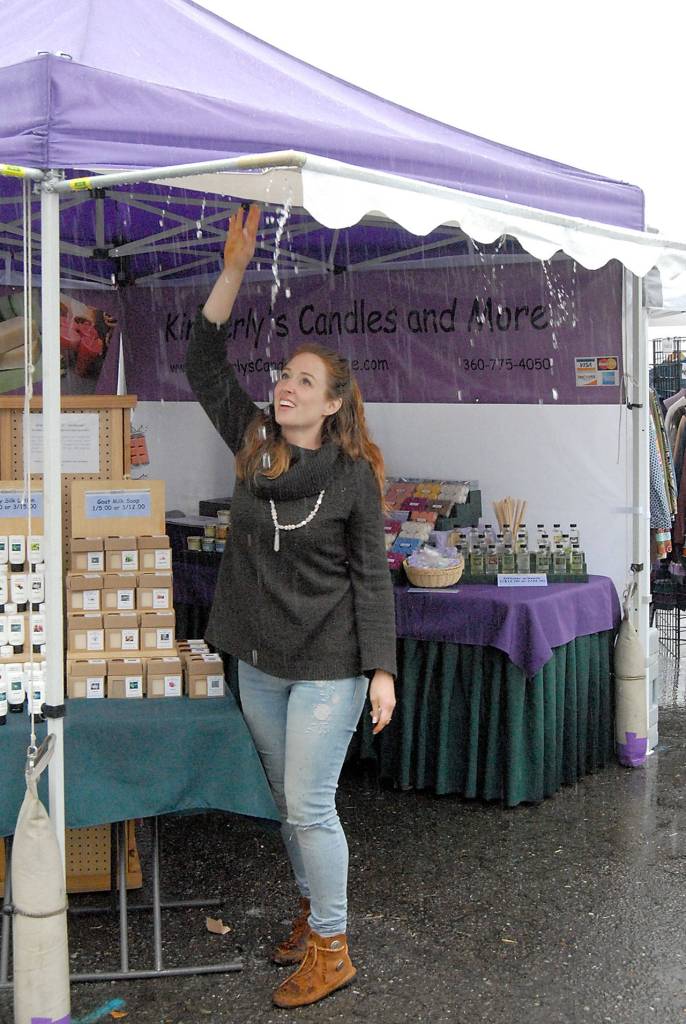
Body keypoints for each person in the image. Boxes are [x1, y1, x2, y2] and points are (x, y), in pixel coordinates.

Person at [186, 204, 397, 1009]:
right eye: (283, 375)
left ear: (334, 403)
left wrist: (381, 671)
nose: (283, 384)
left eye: (303, 380)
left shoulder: (352, 478)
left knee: (311, 805)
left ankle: (334, 946)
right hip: (259, 659)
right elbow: (204, 363)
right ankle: (311, 915)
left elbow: (373, 578)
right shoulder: (253, 443)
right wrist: (234, 269)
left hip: (329, 663)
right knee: (286, 802)